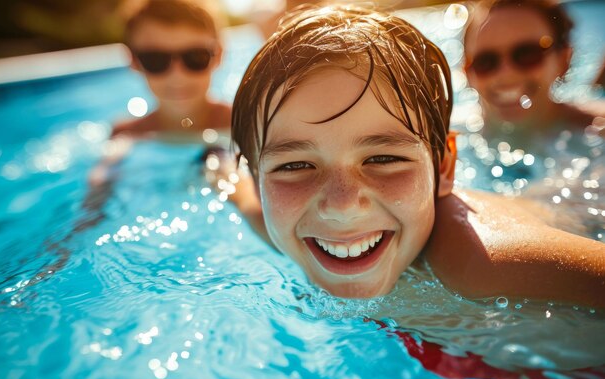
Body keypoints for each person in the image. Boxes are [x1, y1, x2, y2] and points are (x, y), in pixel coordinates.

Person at [216, 4, 605, 308]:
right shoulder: (286, 221)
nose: (342, 207)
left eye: (383, 159)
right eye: (295, 166)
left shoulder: (479, 260)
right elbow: (242, 191)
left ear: (445, 167)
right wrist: (214, 168)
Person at [462, 0, 605, 152]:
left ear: (563, 60)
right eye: (486, 62)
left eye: (527, 54)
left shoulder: (598, 129)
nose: (506, 75)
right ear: (467, 73)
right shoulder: (448, 138)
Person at [113, 0, 230, 137]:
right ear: (134, 61)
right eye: (156, 59)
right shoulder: (125, 135)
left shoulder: (249, 122)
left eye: (195, 57)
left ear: (218, 56)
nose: (177, 76)